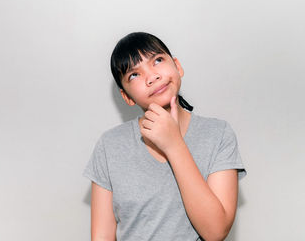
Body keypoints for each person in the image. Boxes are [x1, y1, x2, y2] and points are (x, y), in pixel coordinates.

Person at [82, 32, 247, 241]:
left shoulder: (218, 134)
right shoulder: (110, 146)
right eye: (134, 74)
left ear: (177, 66)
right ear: (126, 96)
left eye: (157, 60)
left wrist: (174, 144)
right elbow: (102, 237)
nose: (152, 77)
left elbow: (215, 231)